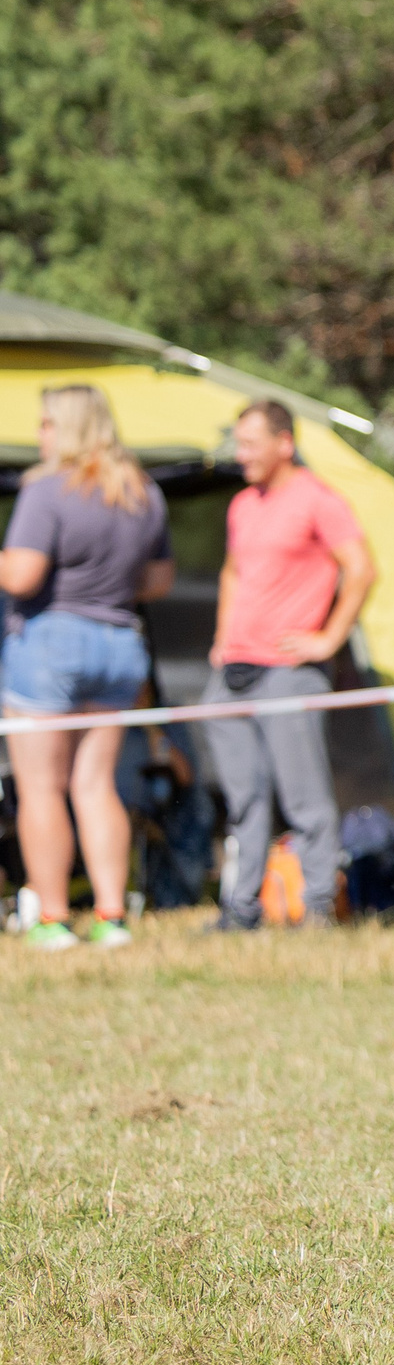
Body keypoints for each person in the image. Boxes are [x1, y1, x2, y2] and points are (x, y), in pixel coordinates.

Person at [0, 385, 175, 950]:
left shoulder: (47, 491)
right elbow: (157, 581)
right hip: (121, 643)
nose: (40, 434)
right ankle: (111, 916)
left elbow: (22, 577)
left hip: (52, 643)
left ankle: (51, 919)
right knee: (96, 785)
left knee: (41, 788)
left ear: (70, 428)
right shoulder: (143, 492)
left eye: (47, 423)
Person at [203, 401, 375, 931]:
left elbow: (362, 569)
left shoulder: (318, 500)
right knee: (243, 797)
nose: (241, 454)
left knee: (303, 795)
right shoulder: (242, 505)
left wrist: (328, 639)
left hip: (289, 670)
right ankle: (242, 908)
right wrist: (221, 637)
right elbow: (233, 573)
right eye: (238, 442)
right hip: (234, 670)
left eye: (251, 443)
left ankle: (319, 904)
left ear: (285, 443)